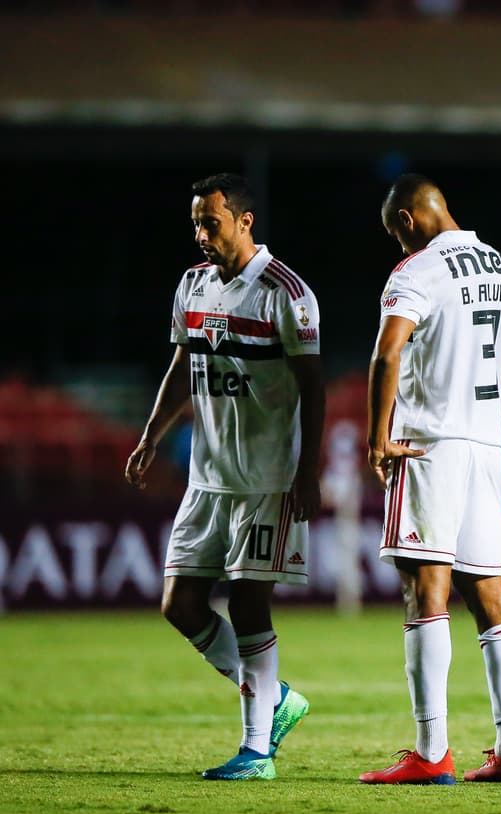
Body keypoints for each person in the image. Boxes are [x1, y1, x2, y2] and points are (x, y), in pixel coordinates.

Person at [124, 173, 325, 781]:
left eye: (210, 222)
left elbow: (314, 391)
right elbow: (182, 366)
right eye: (195, 223)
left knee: (247, 602)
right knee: (179, 603)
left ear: (244, 220)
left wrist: (308, 471)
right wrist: (150, 437)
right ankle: (277, 699)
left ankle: (257, 751)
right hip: (206, 479)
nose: (200, 234)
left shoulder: (286, 293)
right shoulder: (192, 286)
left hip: (266, 480)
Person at [359, 174, 501, 786]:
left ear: (406, 221)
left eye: (393, 234)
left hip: (430, 444)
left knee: (425, 589)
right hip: (488, 448)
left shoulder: (416, 273)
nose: (396, 245)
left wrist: (377, 437)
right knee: (489, 589)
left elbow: (387, 355)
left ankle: (431, 751)